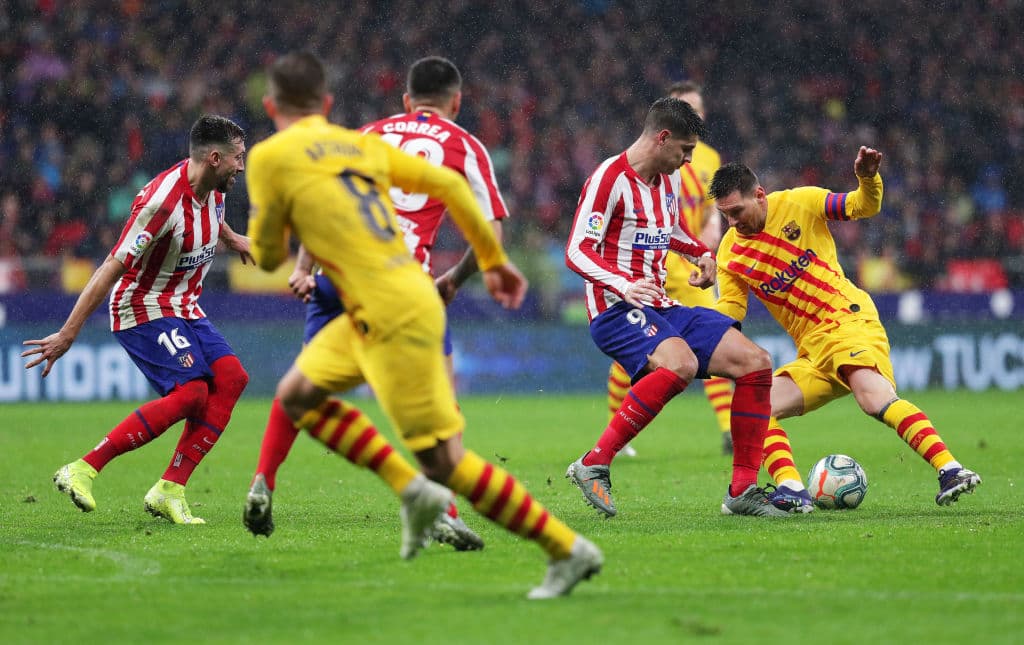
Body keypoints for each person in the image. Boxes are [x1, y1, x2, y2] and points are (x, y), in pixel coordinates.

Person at [241, 51, 601, 599]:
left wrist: (273, 230)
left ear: (270, 105)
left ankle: (567, 550)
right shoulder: (356, 144)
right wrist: (495, 264)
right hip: (391, 294)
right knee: (296, 394)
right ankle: (413, 492)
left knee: (447, 461)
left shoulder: (273, 156)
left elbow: (267, 257)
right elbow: (456, 191)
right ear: (328, 104)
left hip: (390, 309)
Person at [254, 55, 510, 552]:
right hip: (399, 285)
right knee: (440, 403)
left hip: (332, 278)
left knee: (303, 390)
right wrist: (455, 280)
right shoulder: (465, 145)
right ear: (456, 103)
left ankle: (262, 481)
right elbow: (490, 236)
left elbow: (321, 202)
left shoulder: (363, 135)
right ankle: (445, 512)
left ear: (406, 101)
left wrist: (304, 268)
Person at [708, 147, 982, 507]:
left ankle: (951, 469)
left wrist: (867, 179)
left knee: (873, 399)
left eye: (737, 212)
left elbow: (861, 206)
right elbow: (731, 312)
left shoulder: (801, 202)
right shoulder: (729, 254)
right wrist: (704, 320)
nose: (732, 223)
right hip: (812, 350)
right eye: (725, 215)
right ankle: (791, 489)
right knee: (754, 408)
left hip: (848, 322)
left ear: (759, 195)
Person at [564, 97, 795, 519]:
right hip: (615, 308)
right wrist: (623, 284)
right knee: (681, 364)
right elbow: (577, 250)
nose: (689, 161)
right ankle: (593, 463)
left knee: (756, 362)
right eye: (685, 150)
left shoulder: (665, 181)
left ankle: (742, 491)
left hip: (663, 305)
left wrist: (699, 254)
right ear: (662, 138)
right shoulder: (608, 179)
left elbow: (667, 229)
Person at [22, 115, 252, 524]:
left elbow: (211, 219)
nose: (241, 167)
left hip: (184, 304)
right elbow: (110, 267)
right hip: (140, 305)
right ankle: (83, 468)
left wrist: (233, 239)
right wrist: (67, 333)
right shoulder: (161, 204)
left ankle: (169, 490)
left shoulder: (213, 187)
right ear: (214, 158)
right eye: (237, 158)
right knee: (192, 394)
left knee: (232, 378)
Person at [603, 81, 735, 458]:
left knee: (713, 339)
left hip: (689, 265)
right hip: (651, 266)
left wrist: (712, 226)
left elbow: (713, 207)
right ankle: (619, 427)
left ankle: (728, 428)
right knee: (633, 353)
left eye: (697, 107)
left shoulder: (708, 158)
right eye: (685, 106)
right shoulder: (653, 158)